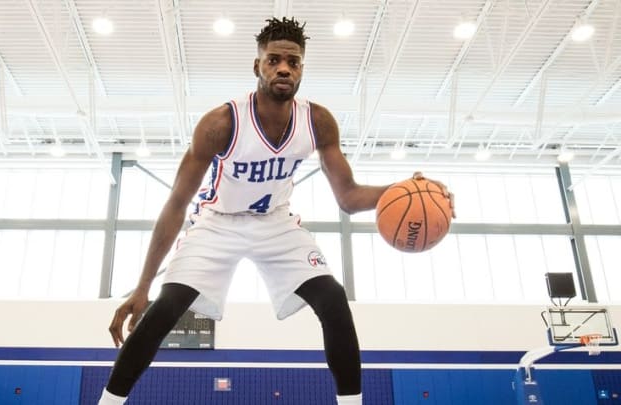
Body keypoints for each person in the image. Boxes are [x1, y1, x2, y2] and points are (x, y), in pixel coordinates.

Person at [98, 17, 454, 405]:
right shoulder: (221, 123)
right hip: (218, 222)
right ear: (258, 66)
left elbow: (348, 198)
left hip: (276, 223)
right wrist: (143, 286)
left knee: (333, 299)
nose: (284, 68)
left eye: (293, 61)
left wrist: (410, 189)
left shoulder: (317, 121)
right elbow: (176, 205)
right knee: (165, 307)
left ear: (302, 68)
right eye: (273, 60)